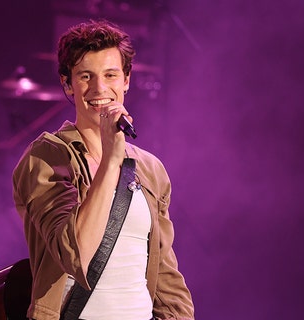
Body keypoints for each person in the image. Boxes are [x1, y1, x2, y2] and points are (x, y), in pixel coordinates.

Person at [12, 20, 195, 319]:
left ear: (126, 80)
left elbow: (165, 275)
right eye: (86, 76)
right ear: (67, 83)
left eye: (110, 75)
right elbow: (74, 254)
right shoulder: (46, 159)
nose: (99, 88)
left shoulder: (150, 169)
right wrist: (111, 159)